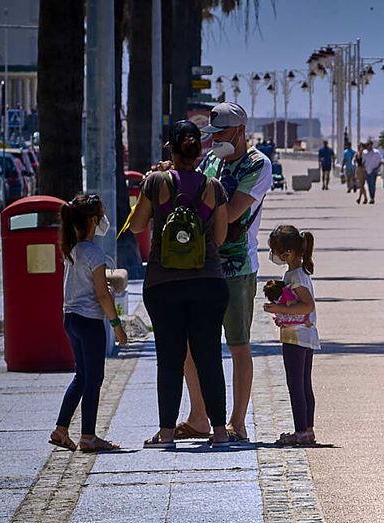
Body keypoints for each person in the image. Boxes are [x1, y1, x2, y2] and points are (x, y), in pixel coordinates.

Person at [128, 120, 231, 448]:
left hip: (163, 283)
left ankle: (167, 433)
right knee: (209, 356)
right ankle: (220, 432)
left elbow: (136, 226)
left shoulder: (156, 182)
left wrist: (152, 186)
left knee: (169, 358)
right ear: (199, 152)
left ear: (171, 148)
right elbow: (220, 236)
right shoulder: (214, 187)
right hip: (208, 282)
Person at [199, 100, 273, 442]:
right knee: (197, 343)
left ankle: (238, 421)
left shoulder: (258, 164)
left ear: (240, 131)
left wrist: (203, 200)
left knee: (238, 345)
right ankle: (199, 417)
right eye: (212, 133)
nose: (215, 140)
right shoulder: (211, 161)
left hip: (237, 266)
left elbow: (231, 214)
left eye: (221, 132)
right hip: (202, 263)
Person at [50, 192, 129, 453]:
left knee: (82, 377)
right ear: (94, 220)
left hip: (70, 319)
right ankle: (88, 436)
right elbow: (101, 295)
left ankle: (61, 429)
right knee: (94, 379)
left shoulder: (71, 249)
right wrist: (117, 326)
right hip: (90, 322)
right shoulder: (94, 253)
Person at [261, 225, 320, 447]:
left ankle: (300, 431)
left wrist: (279, 310)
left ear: (287, 254)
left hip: (296, 337)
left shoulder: (295, 276)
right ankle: (308, 429)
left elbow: (307, 306)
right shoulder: (300, 273)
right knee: (304, 384)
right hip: (306, 336)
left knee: (295, 384)